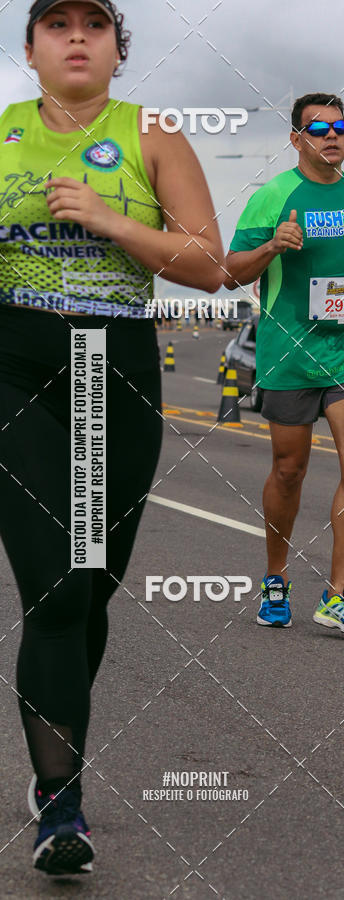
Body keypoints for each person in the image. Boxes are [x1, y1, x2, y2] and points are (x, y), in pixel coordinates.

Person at [0, 0, 223, 875]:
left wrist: (112, 221)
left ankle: (57, 739)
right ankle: (64, 807)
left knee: (91, 589)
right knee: (54, 588)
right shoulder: (5, 134)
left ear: (118, 53)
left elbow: (206, 264)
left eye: (95, 24)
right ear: (30, 51)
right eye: (57, 25)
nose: (78, 37)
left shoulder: (155, 135)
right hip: (11, 358)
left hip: (112, 366)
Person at [224, 92, 344, 636]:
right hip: (288, 353)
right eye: (318, 128)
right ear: (296, 138)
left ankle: (339, 594)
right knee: (289, 470)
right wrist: (274, 246)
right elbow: (229, 272)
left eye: (340, 127)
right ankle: (275, 579)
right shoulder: (273, 196)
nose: (332, 136)